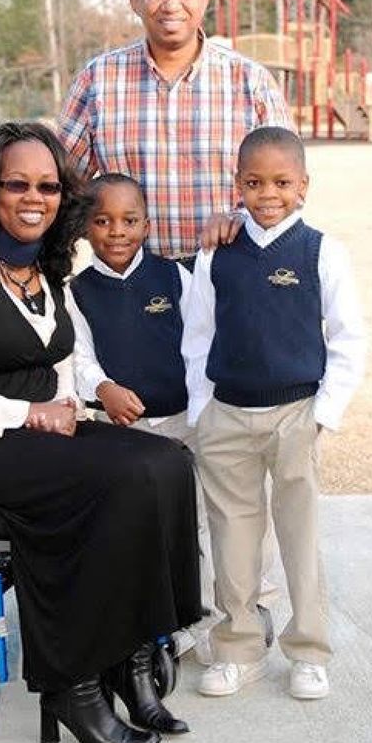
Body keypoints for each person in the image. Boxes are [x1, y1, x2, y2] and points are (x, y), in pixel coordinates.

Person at [0, 121, 201, 743]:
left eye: (49, 186)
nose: (34, 197)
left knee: (166, 462)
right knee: (113, 478)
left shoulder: (46, 271)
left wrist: (68, 406)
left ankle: (132, 657)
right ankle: (74, 685)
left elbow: (60, 366)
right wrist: (26, 412)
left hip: (35, 435)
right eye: (18, 184)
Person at [183, 126, 366, 700]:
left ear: (303, 186)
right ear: (237, 185)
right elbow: (198, 335)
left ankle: (309, 651)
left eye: (282, 182)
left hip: (296, 414)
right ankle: (237, 650)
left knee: (299, 537)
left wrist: (324, 413)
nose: (268, 193)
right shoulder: (217, 255)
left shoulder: (321, 251)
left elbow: (348, 337)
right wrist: (200, 410)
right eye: (255, 182)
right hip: (227, 414)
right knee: (232, 540)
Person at [57, 0, 294, 263]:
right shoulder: (98, 80)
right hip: (133, 285)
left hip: (231, 278)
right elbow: (60, 186)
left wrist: (241, 219)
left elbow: (289, 190)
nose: (171, 5)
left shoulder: (251, 82)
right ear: (134, 1)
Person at [66, 173, 217, 661]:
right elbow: (77, 358)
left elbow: (201, 346)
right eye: (103, 221)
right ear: (86, 227)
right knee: (140, 529)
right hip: (123, 432)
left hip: (182, 423)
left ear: (147, 225)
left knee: (203, 522)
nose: (116, 232)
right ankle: (150, 625)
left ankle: (209, 618)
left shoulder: (174, 277)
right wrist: (103, 389)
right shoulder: (75, 291)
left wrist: (201, 412)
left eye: (129, 221)